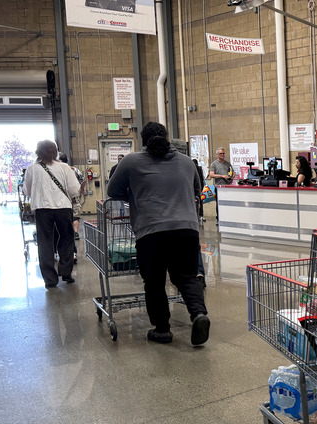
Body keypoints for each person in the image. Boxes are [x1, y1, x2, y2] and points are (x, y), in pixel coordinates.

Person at [107, 121, 210, 346]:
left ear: (142, 141)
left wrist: (138, 195)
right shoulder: (186, 163)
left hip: (151, 231)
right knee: (186, 277)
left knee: (154, 282)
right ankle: (199, 314)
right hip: (186, 229)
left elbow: (112, 192)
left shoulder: (130, 161)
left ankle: (162, 330)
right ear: (167, 137)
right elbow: (196, 191)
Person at [22, 140, 81, 288]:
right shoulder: (64, 167)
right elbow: (74, 189)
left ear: (38, 152)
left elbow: (27, 191)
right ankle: (66, 272)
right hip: (63, 208)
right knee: (67, 239)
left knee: (45, 242)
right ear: (55, 151)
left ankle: (50, 279)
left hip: (42, 209)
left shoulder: (32, 169)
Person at [57, 153, 86, 262]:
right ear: (67, 160)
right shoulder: (74, 169)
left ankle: (57, 252)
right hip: (75, 197)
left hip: (61, 200)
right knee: (76, 216)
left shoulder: (58, 171)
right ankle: (75, 232)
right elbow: (83, 180)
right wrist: (82, 189)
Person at [208, 147, 233, 224]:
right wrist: (222, 176)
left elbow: (232, 172)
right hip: (219, 187)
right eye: (221, 153)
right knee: (219, 204)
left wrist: (231, 177)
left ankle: (227, 218)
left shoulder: (227, 163)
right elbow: (211, 175)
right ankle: (219, 219)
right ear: (217, 155)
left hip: (227, 186)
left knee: (228, 203)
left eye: (223, 153)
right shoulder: (214, 164)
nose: (222, 155)